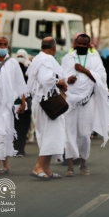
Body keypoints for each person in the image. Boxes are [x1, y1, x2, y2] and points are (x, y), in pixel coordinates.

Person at [62, 33, 109, 177]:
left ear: (89, 45)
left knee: (84, 133)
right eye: (80, 43)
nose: (82, 46)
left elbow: (101, 78)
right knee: (69, 132)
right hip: (70, 100)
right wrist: (67, 79)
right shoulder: (67, 58)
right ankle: (70, 166)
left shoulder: (94, 59)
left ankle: (83, 163)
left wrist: (85, 71)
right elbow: (61, 77)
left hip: (88, 100)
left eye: (85, 44)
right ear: (75, 43)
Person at [27, 37, 68, 180]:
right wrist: (59, 82)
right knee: (50, 134)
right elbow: (45, 80)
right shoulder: (47, 60)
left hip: (41, 102)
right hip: (47, 103)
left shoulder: (38, 58)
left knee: (50, 134)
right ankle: (38, 167)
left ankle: (46, 169)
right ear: (54, 48)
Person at [0, 37, 27, 176]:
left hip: (6, 105)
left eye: (4, 45)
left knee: (2, 132)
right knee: (3, 133)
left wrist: (23, 102)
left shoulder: (13, 63)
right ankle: (4, 161)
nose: (2, 47)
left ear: (8, 47)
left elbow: (20, 83)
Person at [13, 49, 32, 157]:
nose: (20, 57)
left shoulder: (28, 68)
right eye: (18, 55)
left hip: (25, 101)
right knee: (17, 127)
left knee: (23, 126)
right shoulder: (14, 67)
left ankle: (20, 148)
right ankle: (17, 148)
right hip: (16, 101)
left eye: (22, 55)